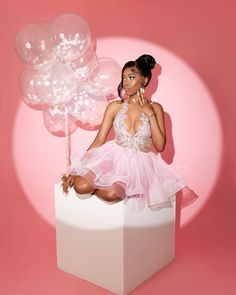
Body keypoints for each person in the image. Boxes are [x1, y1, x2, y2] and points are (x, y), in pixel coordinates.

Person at [61, 54, 186, 211]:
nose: (125, 82)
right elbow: (99, 139)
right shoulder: (115, 107)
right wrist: (77, 170)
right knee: (81, 186)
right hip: (112, 157)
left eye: (131, 77)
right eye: (124, 77)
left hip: (140, 165)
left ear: (145, 80)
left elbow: (160, 146)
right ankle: (106, 186)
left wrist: (150, 114)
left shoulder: (156, 108)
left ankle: (123, 190)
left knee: (111, 195)